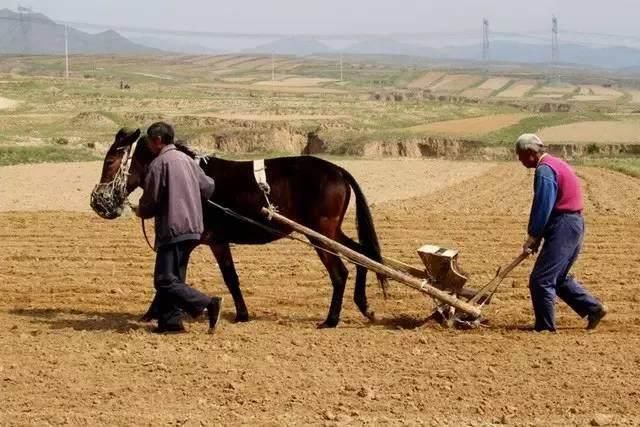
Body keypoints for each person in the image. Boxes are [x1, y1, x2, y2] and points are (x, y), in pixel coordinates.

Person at [135, 121, 222, 334]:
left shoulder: (159, 164)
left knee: (163, 280)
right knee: (175, 277)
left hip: (173, 228)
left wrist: (141, 210)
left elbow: (151, 200)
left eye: (149, 142)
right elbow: (209, 186)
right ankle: (170, 323)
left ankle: (208, 303)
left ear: (157, 141)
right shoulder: (188, 160)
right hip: (193, 227)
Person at [516, 133, 607, 332]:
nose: (520, 160)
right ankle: (593, 309)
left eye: (520, 156)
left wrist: (533, 235)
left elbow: (543, 205)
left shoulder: (545, 170)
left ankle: (545, 328)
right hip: (574, 223)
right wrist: (538, 238)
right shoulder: (556, 163)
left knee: (541, 279)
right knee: (559, 277)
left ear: (530, 153)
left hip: (564, 224)